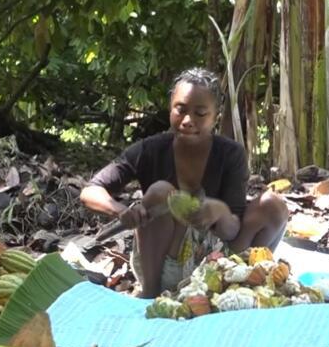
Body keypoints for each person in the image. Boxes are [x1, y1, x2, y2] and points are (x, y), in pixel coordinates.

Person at [80, 67, 288, 298]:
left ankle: (244, 284)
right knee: (160, 192)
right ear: (171, 108)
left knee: (273, 205)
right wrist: (120, 211)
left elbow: (234, 231)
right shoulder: (150, 150)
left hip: (217, 264)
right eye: (181, 110)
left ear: (215, 116)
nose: (188, 121)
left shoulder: (231, 154)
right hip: (162, 263)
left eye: (200, 113)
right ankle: (149, 293)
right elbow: (90, 191)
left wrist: (219, 212)